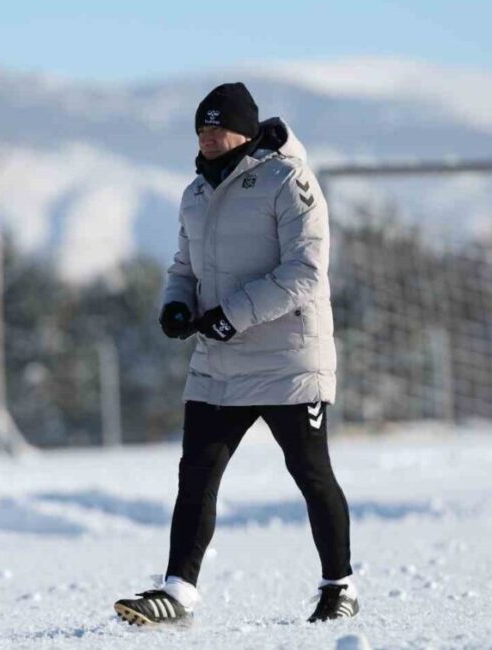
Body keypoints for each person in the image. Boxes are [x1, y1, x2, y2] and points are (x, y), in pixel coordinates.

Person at [113, 82, 357, 626]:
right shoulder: (194, 194)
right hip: (219, 362)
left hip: (287, 359)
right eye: (202, 129)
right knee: (196, 475)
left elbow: (304, 273)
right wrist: (177, 305)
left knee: (311, 472)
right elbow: (183, 267)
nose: (209, 137)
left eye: (219, 128)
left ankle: (339, 585)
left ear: (246, 133)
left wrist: (231, 316)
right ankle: (177, 593)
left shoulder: (288, 181)